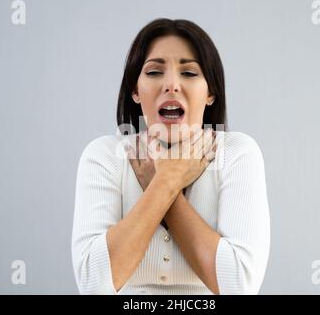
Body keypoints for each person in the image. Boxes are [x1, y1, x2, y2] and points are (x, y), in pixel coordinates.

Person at [71, 18, 270, 295]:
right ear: (135, 91)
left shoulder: (238, 153)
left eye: (189, 73)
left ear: (211, 92)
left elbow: (239, 286)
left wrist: (162, 183)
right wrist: (168, 181)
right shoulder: (104, 156)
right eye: (154, 72)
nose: (171, 84)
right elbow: (93, 285)